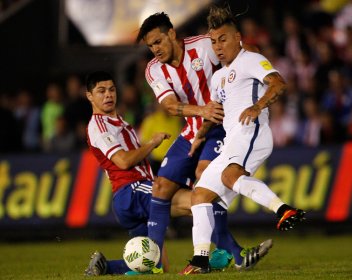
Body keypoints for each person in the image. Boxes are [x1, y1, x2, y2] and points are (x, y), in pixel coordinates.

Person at [137, 12, 271, 271]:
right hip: (193, 129)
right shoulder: (154, 69)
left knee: (204, 175)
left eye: (158, 42)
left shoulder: (203, 45)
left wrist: (249, 68)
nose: (155, 50)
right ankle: (152, 263)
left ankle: (226, 256)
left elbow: (247, 50)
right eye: (150, 46)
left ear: (172, 34)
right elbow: (170, 105)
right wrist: (202, 111)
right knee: (161, 187)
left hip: (222, 126)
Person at [180, 5, 305, 274]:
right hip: (231, 141)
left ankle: (282, 209)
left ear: (237, 37)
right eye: (213, 42)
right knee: (199, 195)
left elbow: (278, 83)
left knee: (229, 176)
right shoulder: (218, 77)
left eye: (223, 39)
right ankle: (200, 259)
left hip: (252, 131)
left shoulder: (249, 58)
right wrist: (199, 136)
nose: (218, 47)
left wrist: (258, 106)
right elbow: (214, 113)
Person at [83, 71, 191, 275]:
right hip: (132, 190)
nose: (108, 95)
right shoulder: (98, 125)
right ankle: (220, 255)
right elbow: (123, 162)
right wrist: (152, 142)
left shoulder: (119, 121)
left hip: (127, 197)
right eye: (101, 91)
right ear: (89, 96)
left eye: (112, 90)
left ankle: (106, 267)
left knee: (156, 266)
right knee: (196, 202)